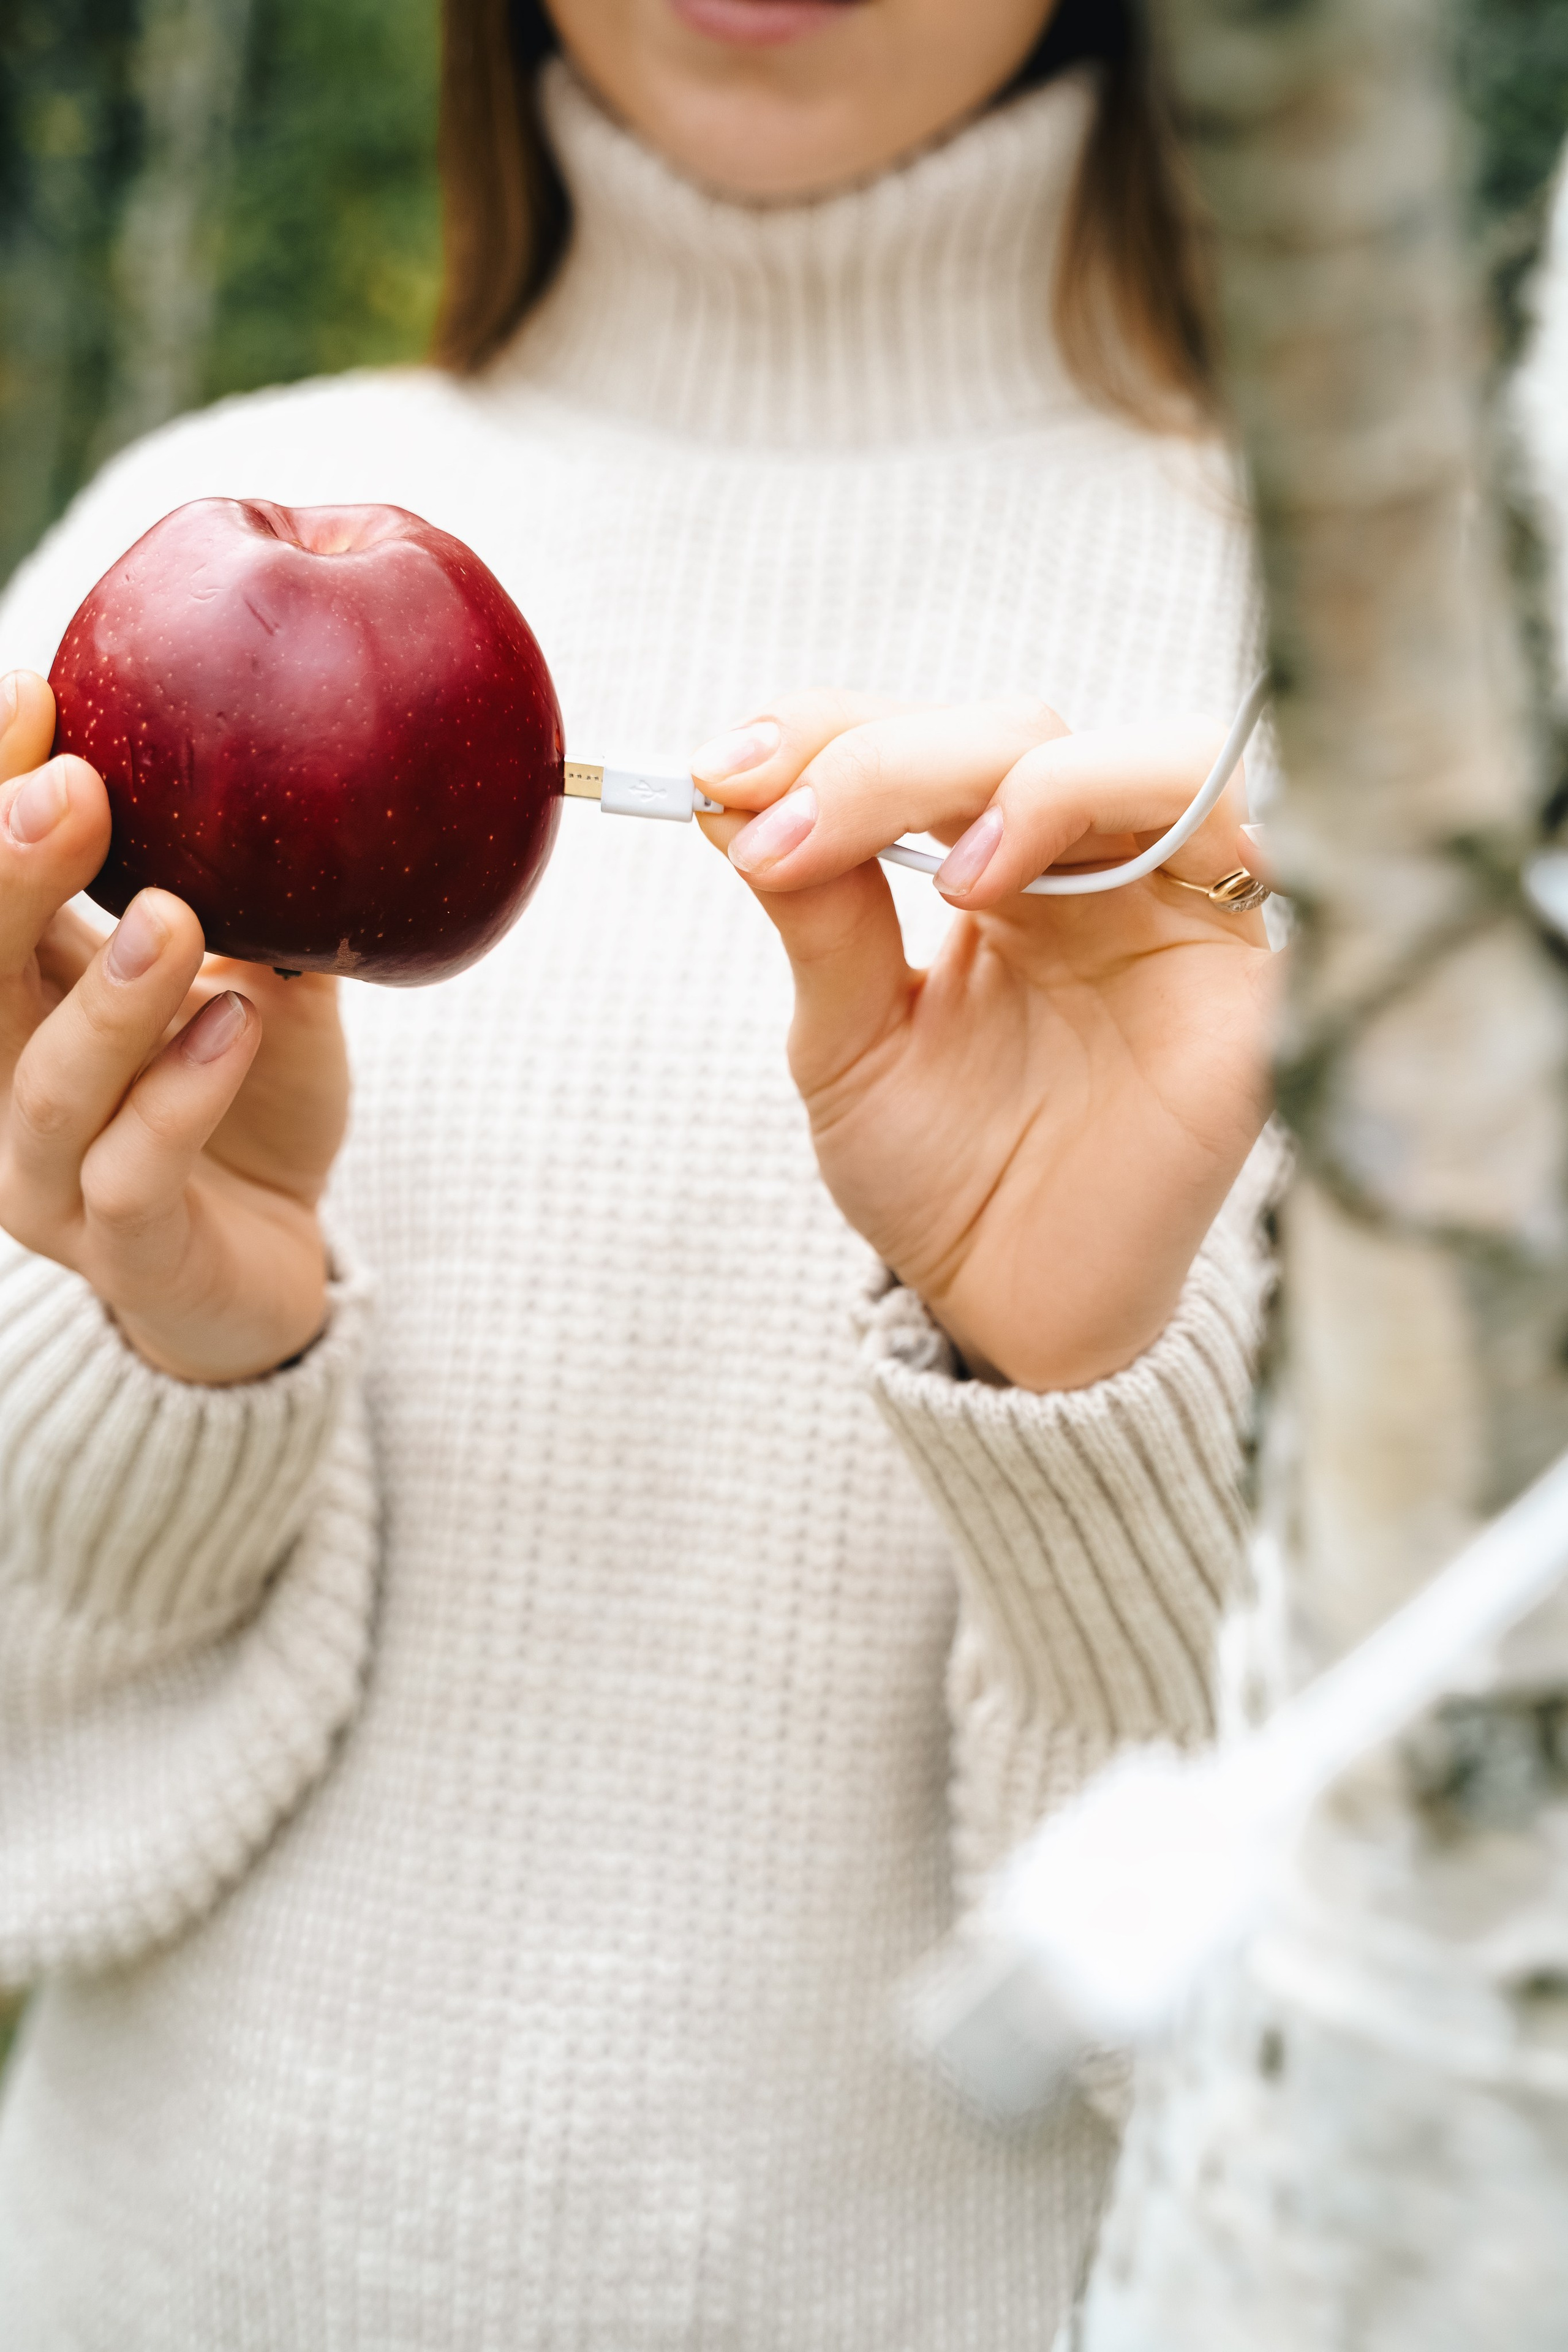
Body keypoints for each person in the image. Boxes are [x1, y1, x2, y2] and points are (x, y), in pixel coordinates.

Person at [0, 0, 1280, 2341]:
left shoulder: (1363, 684)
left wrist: (1081, 1394)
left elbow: (1435, 1958)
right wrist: (179, 1344)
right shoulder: (130, 586)